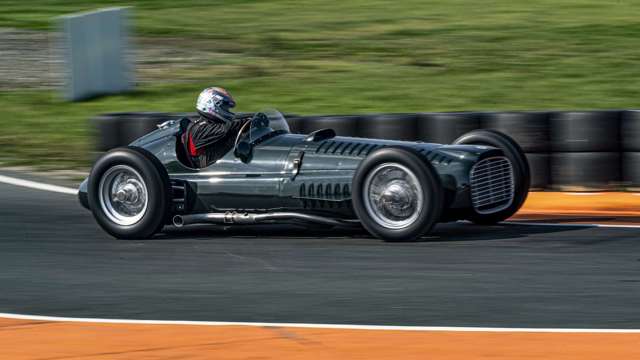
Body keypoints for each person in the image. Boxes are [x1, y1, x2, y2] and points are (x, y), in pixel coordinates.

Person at [184, 87, 250, 168]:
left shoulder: (208, 123)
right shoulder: (201, 128)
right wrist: (250, 121)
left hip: (222, 165)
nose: (227, 110)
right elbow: (228, 128)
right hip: (207, 172)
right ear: (211, 105)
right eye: (225, 107)